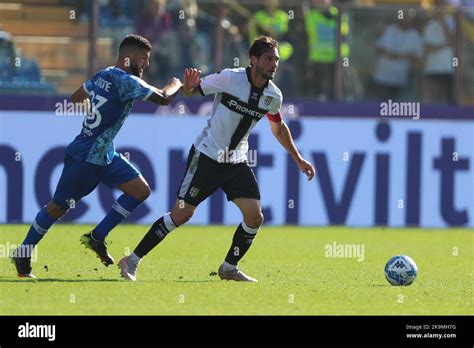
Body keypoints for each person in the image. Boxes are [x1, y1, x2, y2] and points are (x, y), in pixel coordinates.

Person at [119, 36, 316, 282]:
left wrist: (298, 158)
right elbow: (192, 92)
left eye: (276, 59)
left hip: (236, 163)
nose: (273, 64)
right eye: (268, 59)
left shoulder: (273, 96)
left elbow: (278, 127)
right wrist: (190, 86)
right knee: (180, 214)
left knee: (255, 217)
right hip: (207, 157)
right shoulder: (230, 78)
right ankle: (132, 260)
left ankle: (229, 268)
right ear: (253, 60)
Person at [11, 34, 183, 278]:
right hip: (86, 156)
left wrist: (100, 107)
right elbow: (165, 98)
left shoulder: (104, 74)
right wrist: (177, 83)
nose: (146, 64)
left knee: (140, 190)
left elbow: (76, 97)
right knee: (57, 208)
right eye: (143, 59)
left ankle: (97, 236)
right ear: (128, 57)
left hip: (105, 153)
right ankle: (23, 252)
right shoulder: (126, 80)